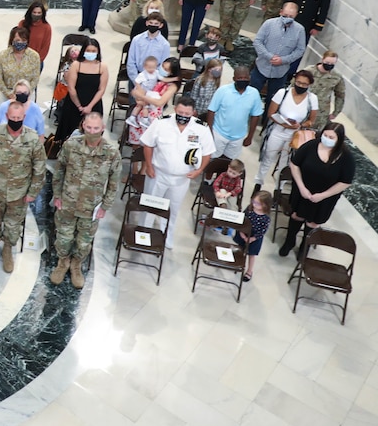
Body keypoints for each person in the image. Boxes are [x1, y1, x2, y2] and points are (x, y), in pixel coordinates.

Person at [50, 112, 121, 289]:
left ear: (102, 128)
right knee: (63, 238)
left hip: (91, 208)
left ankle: (76, 265)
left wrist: (105, 206)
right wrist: (57, 195)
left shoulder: (111, 153)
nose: (92, 131)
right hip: (67, 202)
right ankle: (62, 263)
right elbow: (59, 171)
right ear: (83, 126)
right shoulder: (71, 145)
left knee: (83, 242)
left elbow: (113, 183)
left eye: (96, 128)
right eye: (89, 127)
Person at [0, 104, 46, 273]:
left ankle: (7, 249)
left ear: (24, 116)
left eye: (18, 119)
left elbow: (39, 169)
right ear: (7, 115)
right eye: (12, 118)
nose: (15, 121)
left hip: (19, 195)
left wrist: (32, 192)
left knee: (13, 226)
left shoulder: (33, 139)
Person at [139, 96, 215, 249]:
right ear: (175, 109)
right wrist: (148, 165)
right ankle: (143, 233)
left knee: (172, 209)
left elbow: (208, 153)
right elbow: (148, 144)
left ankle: (166, 235)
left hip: (181, 178)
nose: (183, 116)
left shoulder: (201, 128)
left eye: (187, 114)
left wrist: (199, 171)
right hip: (158, 173)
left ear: (193, 113)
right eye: (180, 112)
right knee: (150, 205)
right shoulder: (161, 123)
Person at [280, 122, 354, 258]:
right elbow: (295, 164)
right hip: (303, 190)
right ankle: (289, 242)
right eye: (325, 135)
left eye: (331, 137)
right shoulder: (311, 146)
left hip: (325, 197)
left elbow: (345, 182)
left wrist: (323, 195)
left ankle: (305, 247)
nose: (326, 139)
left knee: (312, 222)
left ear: (339, 139)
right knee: (297, 216)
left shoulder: (346, 157)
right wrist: (301, 187)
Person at [255, 70, 318, 191]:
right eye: (298, 82)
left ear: (309, 85)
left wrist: (300, 125)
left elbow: (311, 120)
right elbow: (271, 113)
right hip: (278, 130)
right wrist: (284, 123)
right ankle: (258, 182)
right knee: (268, 156)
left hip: (295, 134)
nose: (300, 86)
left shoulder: (312, 99)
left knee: (286, 161)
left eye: (304, 84)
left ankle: (278, 188)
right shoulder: (283, 93)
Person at [251, 2, 306, 109]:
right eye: (285, 15)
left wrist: (283, 60)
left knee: (273, 100)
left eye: (291, 16)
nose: (287, 18)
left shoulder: (300, 30)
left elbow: (300, 50)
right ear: (281, 12)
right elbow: (257, 41)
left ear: (296, 15)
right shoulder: (269, 24)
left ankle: (266, 122)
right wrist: (269, 56)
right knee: (252, 95)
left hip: (280, 71)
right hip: (262, 66)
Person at [283, 0, 332, 75]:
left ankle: (290, 73)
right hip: (290, 21)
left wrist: (318, 26)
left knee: (299, 49)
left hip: (306, 25)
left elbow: (324, 10)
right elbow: (287, 0)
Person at [55, 39, 109, 144]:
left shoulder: (102, 67)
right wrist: (79, 106)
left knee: (91, 135)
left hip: (93, 104)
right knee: (69, 134)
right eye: (88, 50)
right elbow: (71, 87)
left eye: (94, 51)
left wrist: (89, 107)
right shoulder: (76, 65)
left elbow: (101, 89)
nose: (91, 53)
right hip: (74, 104)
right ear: (84, 51)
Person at [207, 66, 264, 159]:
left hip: (238, 137)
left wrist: (250, 136)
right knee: (212, 159)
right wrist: (209, 132)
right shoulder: (223, 91)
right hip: (219, 133)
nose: (243, 80)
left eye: (245, 78)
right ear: (234, 79)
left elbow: (255, 115)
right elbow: (211, 111)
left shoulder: (254, 93)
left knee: (229, 162)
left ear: (249, 78)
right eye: (240, 78)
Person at [0, 27, 42, 107]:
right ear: (12, 40)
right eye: (18, 40)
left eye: (23, 40)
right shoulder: (3, 55)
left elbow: (35, 77)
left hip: (26, 95)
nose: (20, 43)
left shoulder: (34, 56)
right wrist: (8, 94)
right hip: (7, 95)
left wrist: (26, 93)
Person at [234, 190, 272, 282]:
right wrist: (242, 234)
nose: (255, 204)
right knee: (239, 249)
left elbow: (262, 231)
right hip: (243, 232)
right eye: (254, 202)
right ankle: (237, 263)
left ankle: (249, 271)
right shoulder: (249, 209)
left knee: (251, 255)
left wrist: (252, 239)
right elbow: (242, 219)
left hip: (254, 238)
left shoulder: (266, 218)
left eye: (258, 204)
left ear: (265, 205)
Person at [126, 11, 171, 86]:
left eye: (156, 24)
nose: (153, 25)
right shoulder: (137, 39)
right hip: (136, 76)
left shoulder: (165, 44)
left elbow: (163, 65)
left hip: (153, 79)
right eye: (151, 23)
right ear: (147, 23)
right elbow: (131, 61)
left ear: (161, 25)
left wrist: (153, 79)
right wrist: (135, 80)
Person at [305, 51, 345, 127]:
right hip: (304, 105)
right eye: (327, 62)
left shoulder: (336, 77)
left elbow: (340, 95)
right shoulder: (309, 71)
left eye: (332, 64)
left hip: (320, 112)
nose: (329, 65)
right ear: (322, 59)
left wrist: (336, 112)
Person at [17, 1, 52, 73]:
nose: (36, 14)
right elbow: (17, 40)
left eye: (39, 13)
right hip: (21, 59)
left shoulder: (46, 27)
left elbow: (46, 46)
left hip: (36, 61)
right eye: (34, 12)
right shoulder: (22, 24)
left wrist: (38, 60)